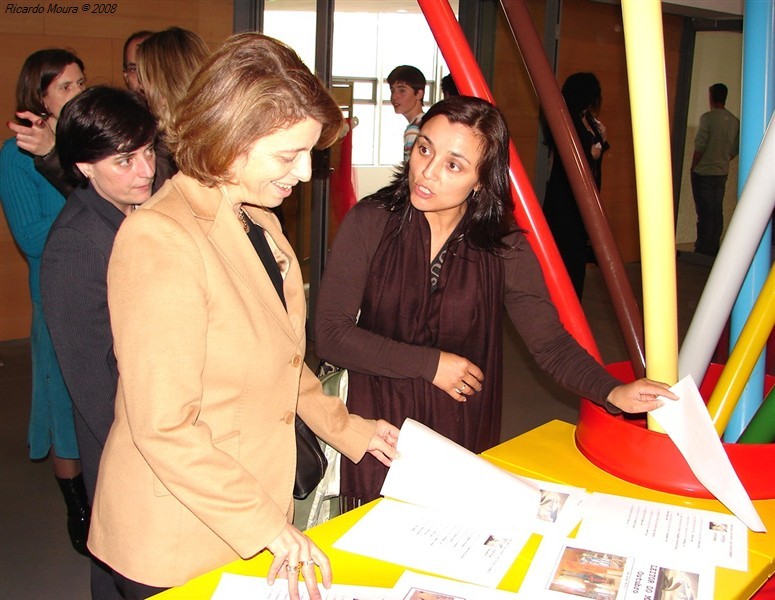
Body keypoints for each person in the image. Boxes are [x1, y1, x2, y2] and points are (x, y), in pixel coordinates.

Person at [87, 33, 399, 599]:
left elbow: (284, 362)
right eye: (288, 155)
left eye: (310, 153)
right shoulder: (160, 238)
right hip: (177, 532)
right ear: (231, 141)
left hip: (243, 508)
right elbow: (164, 426)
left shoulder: (259, 221)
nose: (306, 173)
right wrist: (266, 526)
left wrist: (348, 428)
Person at [314, 96, 676, 508]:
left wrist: (612, 391)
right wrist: (429, 364)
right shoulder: (372, 221)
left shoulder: (503, 249)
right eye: (424, 148)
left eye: (454, 165)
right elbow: (330, 335)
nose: (427, 171)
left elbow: (550, 343)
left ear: (482, 180)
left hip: (459, 426)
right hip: (377, 426)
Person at [40, 86, 157, 600]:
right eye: (125, 160)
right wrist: (149, 455)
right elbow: (90, 381)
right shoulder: (78, 243)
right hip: (124, 438)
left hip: (153, 423)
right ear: (85, 168)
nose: (146, 170)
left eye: (149, 150)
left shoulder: (132, 213)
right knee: (128, 564)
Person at [0, 48, 89, 555]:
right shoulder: (14, 157)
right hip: (55, 294)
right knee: (62, 403)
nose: (78, 93)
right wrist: (88, 205)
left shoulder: (83, 144)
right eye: (66, 87)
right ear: (39, 98)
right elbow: (31, 237)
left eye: (81, 83)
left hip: (101, 290)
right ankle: (76, 505)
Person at [542, 72, 609, 299]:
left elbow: (600, 147)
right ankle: (559, 302)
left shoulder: (586, 119)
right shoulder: (565, 119)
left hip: (584, 199)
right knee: (563, 253)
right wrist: (592, 150)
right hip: (566, 198)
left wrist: (598, 140)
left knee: (576, 255)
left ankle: (572, 304)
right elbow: (574, 154)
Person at [135, 26, 210, 183]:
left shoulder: (160, 150)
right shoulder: (222, 132)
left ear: (161, 83)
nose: (141, 87)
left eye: (144, 78)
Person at [690, 82, 739, 257]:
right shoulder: (734, 121)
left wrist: (693, 166)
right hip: (721, 172)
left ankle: (702, 249)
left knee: (704, 213)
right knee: (717, 211)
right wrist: (724, 158)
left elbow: (700, 146)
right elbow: (735, 148)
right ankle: (714, 247)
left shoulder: (707, 118)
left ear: (711, 97)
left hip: (703, 172)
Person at [388, 64, 426, 162]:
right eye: (392, 91)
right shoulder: (425, 122)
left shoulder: (414, 130)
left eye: (402, 90)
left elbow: (412, 171)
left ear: (419, 94)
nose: (394, 97)